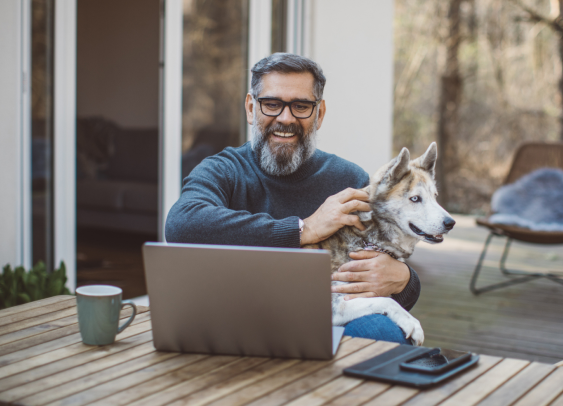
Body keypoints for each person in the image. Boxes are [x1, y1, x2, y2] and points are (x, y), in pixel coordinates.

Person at [165, 53, 420, 344]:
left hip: (323, 317)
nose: (285, 119)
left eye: (301, 106)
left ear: (319, 114)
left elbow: (382, 272)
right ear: (251, 108)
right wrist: (305, 229)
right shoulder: (223, 170)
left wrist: (404, 279)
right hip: (237, 313)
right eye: (272, 104)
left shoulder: (350, 181)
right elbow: (181, 223)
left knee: (383, 334)